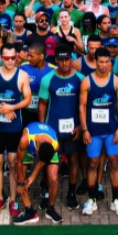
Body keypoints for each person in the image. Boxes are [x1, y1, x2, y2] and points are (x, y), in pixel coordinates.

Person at [0, 43, 32, 218]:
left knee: (12, 163)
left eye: (13, 57)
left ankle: (12, 199)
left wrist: (13, 107)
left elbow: (27, 99)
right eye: (6, 58)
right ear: (1, 57)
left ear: (17, 56)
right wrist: (1, 106)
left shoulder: (22, 75)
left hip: (14, 127)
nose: (10, 61)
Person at [78, 47, 118, 216]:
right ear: (95, 62)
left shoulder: (116, 82)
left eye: (107, 62)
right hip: (93, 131)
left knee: (114, 162)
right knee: (93, 163)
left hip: (111, 130)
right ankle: (91, 200)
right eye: (101, 62)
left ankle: (115, 200)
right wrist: (84, 129)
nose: (104, 65)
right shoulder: (87, 82)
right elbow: (82, 107)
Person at [38, 44, 85, 211]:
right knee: (49, 162)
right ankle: (47, 192)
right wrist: (42, 129)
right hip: (53, 130)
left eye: (67, 59)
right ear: (56, 60)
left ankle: (71, 193)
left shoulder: (80, 79)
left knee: (73, 160)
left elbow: (83, 106)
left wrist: (81, 126)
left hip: (74, 130)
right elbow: (42, 104)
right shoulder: (47, 79)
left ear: (72, 59)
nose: (64, 63)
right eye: (61, 59)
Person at [12, 122, 63, 224]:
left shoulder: (55, 145)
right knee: (18, 175)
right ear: (37, 149)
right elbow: (19, 163)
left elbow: (42, 161)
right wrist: (21, 183)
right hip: (28, 147)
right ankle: (29, 212)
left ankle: (50, 208)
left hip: (47, 149)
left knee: (53, 177)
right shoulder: (25, 140)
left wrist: (32, 177)